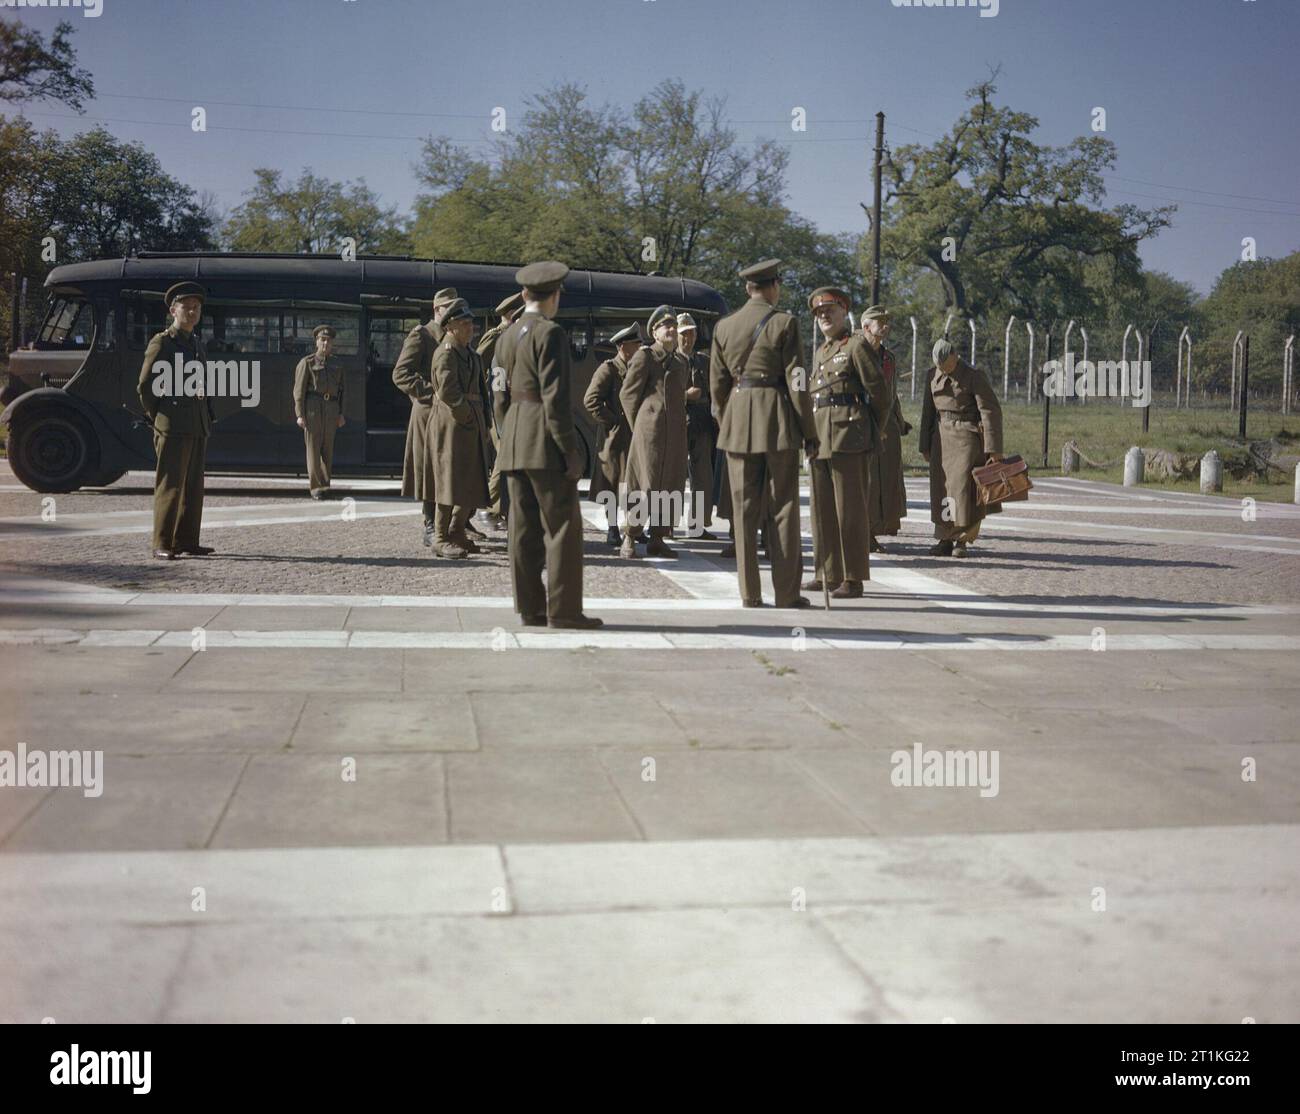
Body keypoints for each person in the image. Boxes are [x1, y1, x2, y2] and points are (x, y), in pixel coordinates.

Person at [493, 261, 602, 630]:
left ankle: (530, 608)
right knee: (562, 530)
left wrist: (506, 432)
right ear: (554, 296)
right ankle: (564, 611)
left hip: (515, 440)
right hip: (543, 440)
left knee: (521, 531)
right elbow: (555, 399)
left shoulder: (505, 337)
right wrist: (570, 449)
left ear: (524, 295)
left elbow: (497, 392)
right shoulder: (551, 334)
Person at [710, 259, 816, 608]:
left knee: (743, 510)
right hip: (778, 421)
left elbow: (718, 388)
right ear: (775, 286)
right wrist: (809, 432)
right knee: (784, 507)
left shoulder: (724, 327)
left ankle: (749, 593)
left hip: (738, 419)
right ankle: (786, 593)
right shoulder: (785, 323)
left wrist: (729, 420)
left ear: (747, 289)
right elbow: (797, 381)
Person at [803, 288, 891, 599]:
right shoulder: (821, 352)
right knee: (821, 510)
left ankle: (853, 578)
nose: (823, 316)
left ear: (844, 313)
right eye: (818, 313)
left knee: (850, 511)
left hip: (849, 437)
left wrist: (872, 431)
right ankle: (826, 573)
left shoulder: (856, 345)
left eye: (829, 311)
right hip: (820, 439)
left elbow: (881, 394)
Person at [137, 281, 214, 560]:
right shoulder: (163, 343)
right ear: (173, 310)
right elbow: (146, 386)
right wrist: (158, 415)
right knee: (170, 485)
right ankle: (162, 542)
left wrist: (207, 415)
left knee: (194, 487)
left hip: (196, 424)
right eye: (186, 307)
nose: (192, 312)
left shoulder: (196, 343)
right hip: (172, 423)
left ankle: (187, 540)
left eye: (196, 308)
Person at [919, 338, 1005, 557]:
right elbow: (927, 412)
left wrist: (993, 449)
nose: (943, 370)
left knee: (963, 491)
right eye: (939, 366)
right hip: (940, 437)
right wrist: (924, 445)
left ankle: (962, 540)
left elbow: (990, 411)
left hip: (967, 436)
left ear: (955, 356)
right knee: (943, 490)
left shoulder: (974, 376)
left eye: (946, 365)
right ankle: (945, 538)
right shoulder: (931, 375)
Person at [620, 306, 689, 559]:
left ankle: (658, 537)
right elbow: (628, 395)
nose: (671, 329)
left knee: (671, 484)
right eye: (664, 326)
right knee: (644, 484)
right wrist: (640, 425)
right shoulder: (645, 357)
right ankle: (630, 535)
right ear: (655, 332)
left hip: (676, 434)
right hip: (649, 433)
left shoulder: (681, 361)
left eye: (673, 325)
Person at [392, 287, 458, 546]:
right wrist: (431, 393)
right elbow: (401, 373)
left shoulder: (453, 336)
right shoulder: (422, 335)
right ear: (437, 309)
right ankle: (431, 524)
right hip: (428, 413)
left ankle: (454, 523)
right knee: (431, 469)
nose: (452, 312)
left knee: (450, 469)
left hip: (448, 413)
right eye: (448, 307)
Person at [428, 299, 492, 559]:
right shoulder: (445, 353)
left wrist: (484, 422)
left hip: (471, 423)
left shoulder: (471, 354)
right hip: (453, 425)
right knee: (450, 480)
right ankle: (441, 537)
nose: (471, 328)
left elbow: (482, 392)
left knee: (472, 479)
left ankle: (457, 530)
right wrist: (467, 416)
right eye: (464, 324)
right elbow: (448, 392)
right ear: (450, 326)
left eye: (471, 323)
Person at [583, 322, 640, 546]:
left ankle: (633, 528)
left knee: (633, 483)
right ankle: (613, 528)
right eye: (636, 344)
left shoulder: (636, 368)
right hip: (614, 439)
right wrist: (614, 421)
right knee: (613, 483)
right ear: (624, 346)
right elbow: (590, 400)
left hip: (634, 435)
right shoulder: (609, 369)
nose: (639, 348)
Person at [860, 306, 910, 551]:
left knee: (886, 478)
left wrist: (900, 422)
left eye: (887, 321)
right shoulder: (856, 352)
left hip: (887, 425)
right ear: (865, 326)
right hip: (863, 423)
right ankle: (865, 532)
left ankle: (879, 527)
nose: (885, 325)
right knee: (866, 480)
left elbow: (891, 394)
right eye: (880, 321)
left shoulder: (889, 357)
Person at [476, 291, 525, 529]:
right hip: (497, 407)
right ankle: (489, 508)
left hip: (507, 407)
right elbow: (478, 366)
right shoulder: (497, 338)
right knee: (504, 459)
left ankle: (500, 510)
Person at [293, 324, 346, 499]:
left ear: (332, 343)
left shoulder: (337, 364)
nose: (325, 343)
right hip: (313, 409)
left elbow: (342, 392)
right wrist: (299, 414)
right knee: (313, 451)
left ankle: (325, 485)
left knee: (327, 450)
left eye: (328, 340)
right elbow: (298, 391)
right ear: (316, 342)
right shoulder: (307, 363)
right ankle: (316, 488)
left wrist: (340, 413)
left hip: (331, 409)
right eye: (322, 340)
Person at [678, 312, 717, 538]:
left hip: (702, 423)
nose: (688, 338)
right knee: (673, 477)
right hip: (678, 422)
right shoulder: (670, 361)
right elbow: (660, 393)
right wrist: (685, 396)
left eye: (691, 333)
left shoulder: (704, 361)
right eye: (684, 334)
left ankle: (698, 525)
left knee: (703, 477)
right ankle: (666, 525)